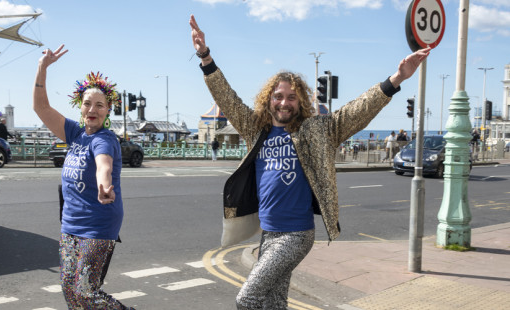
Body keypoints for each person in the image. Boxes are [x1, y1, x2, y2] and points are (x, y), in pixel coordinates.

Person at [189, 14, 430, 309]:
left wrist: (396, 80)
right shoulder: (257, 129)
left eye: (291, 97)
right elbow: (227, 98)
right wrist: (204, 55)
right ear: (269, 100)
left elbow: (356, 111)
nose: (284, 102)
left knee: (248, 298)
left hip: (296, 235)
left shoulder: (316, 129)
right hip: (269, 233)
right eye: (278, 96)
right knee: (274, 303)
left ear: (300, 101)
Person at [33, 45, 134, 310]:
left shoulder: (104, 139)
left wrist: (104, 185)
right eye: (87, 103)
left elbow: (104, 165)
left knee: (86, 291)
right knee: (70, 291)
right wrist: (42, 68)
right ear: (80, 106)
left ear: (108, 110)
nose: (92, 109)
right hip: (70, 226)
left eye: (99, 105)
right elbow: (41, 108)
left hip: (98, 225)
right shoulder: (75, 133)